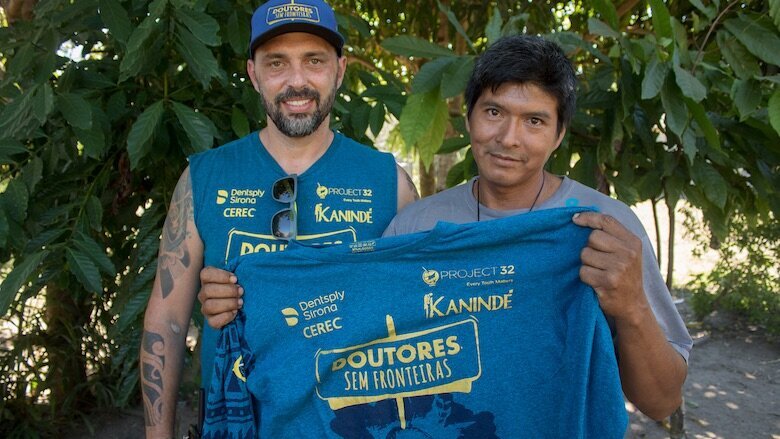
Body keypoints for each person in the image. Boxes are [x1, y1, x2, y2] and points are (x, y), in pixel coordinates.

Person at [200, 34, 693, 423]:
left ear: (560, 133)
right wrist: (248, 298)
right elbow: (353, 350)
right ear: (470, 115)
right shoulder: (416, 225)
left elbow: (661, 402)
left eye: (535, 121)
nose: (508, 138)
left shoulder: (603, 231)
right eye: (494, 112)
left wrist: (630, 307)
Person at [139, 0, 418, 436]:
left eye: (314, 61)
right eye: (277, 64)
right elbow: (168, 319)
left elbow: (418, 312)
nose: (297, 81)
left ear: (340, 71)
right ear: (252, 74)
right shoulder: (204, 177)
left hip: (355, 424)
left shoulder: (389, 183)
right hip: (233, 422)